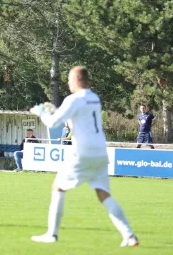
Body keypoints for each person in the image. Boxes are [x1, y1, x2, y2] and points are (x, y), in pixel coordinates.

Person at [29, 66, 138, 247]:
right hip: (100, 151)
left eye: (70, 80)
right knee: (104, 193)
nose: (68, 83)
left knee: (58, 187)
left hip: (83, 151)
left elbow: (53, 123)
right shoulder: (94, 98)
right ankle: (129, 235)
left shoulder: (73, 99)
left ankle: (52, 234)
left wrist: (41, 112)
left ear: (77, 80)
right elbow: (77, 122)